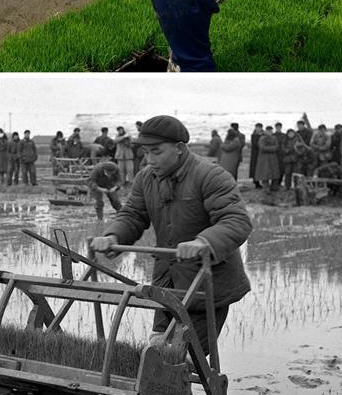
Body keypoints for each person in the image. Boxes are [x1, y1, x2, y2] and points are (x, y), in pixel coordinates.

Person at [90, 115, 252, 356]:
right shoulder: (146, 178)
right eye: (146, 152)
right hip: (166, 281)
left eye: (156, 152)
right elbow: (133, 215)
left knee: (182, 356)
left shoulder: (210, 176)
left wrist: (203, 242)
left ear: (179, 148)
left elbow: (236, 220)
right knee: (156, 348)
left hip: (205, 284)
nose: (149, 159)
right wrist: (114, 235)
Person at [88, 155, 122, 220]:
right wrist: (99, 189)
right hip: (97, 185)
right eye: (108, 173)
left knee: (116, 200)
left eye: (111, 174)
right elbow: (91, 181)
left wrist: (115, 187)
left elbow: (119, 180)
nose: (110, 175)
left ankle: (121, 215)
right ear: (104, 170)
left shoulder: (116, 168)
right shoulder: (97, 169)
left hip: (110, 184)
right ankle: (100, 219)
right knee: (99, 202)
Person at [255, 126, 280, 191]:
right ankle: (266, 187)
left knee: (274, 173)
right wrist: (272, 148)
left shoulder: (274, 138)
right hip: (264, 159)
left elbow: (277, 147)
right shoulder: (262, 138)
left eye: (271, 131)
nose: (270, 132)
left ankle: (274, 186)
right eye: (268, 131)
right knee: (265, 174)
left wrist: (270, 148)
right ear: (266, 131)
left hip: (273, 158)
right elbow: (262, 148)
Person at [249, 123, 264, 188]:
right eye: (257, 127)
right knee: (255, 167)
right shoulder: (253, 135)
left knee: (261, 167)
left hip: (262, 153)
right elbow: (255, 144)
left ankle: (261, 181)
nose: (258, 129)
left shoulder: (263, 134)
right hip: (255, 154)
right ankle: (256, 182)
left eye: (259, 127)